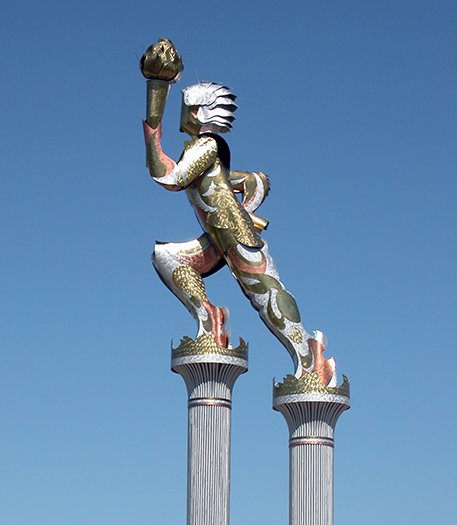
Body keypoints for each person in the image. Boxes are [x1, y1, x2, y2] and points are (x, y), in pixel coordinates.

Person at [141, 40, 335, 385]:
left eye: (185, 107)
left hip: (233, 238)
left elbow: (169, 176)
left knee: (267, 297)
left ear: (198, 113)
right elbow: (254, 182)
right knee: (166, 257)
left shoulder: (206, 145)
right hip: (217, 237)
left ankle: (309, 360)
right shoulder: (210, 150)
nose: (182, 114)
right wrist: (243, 205)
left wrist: (153, 122)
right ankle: (209, 319)